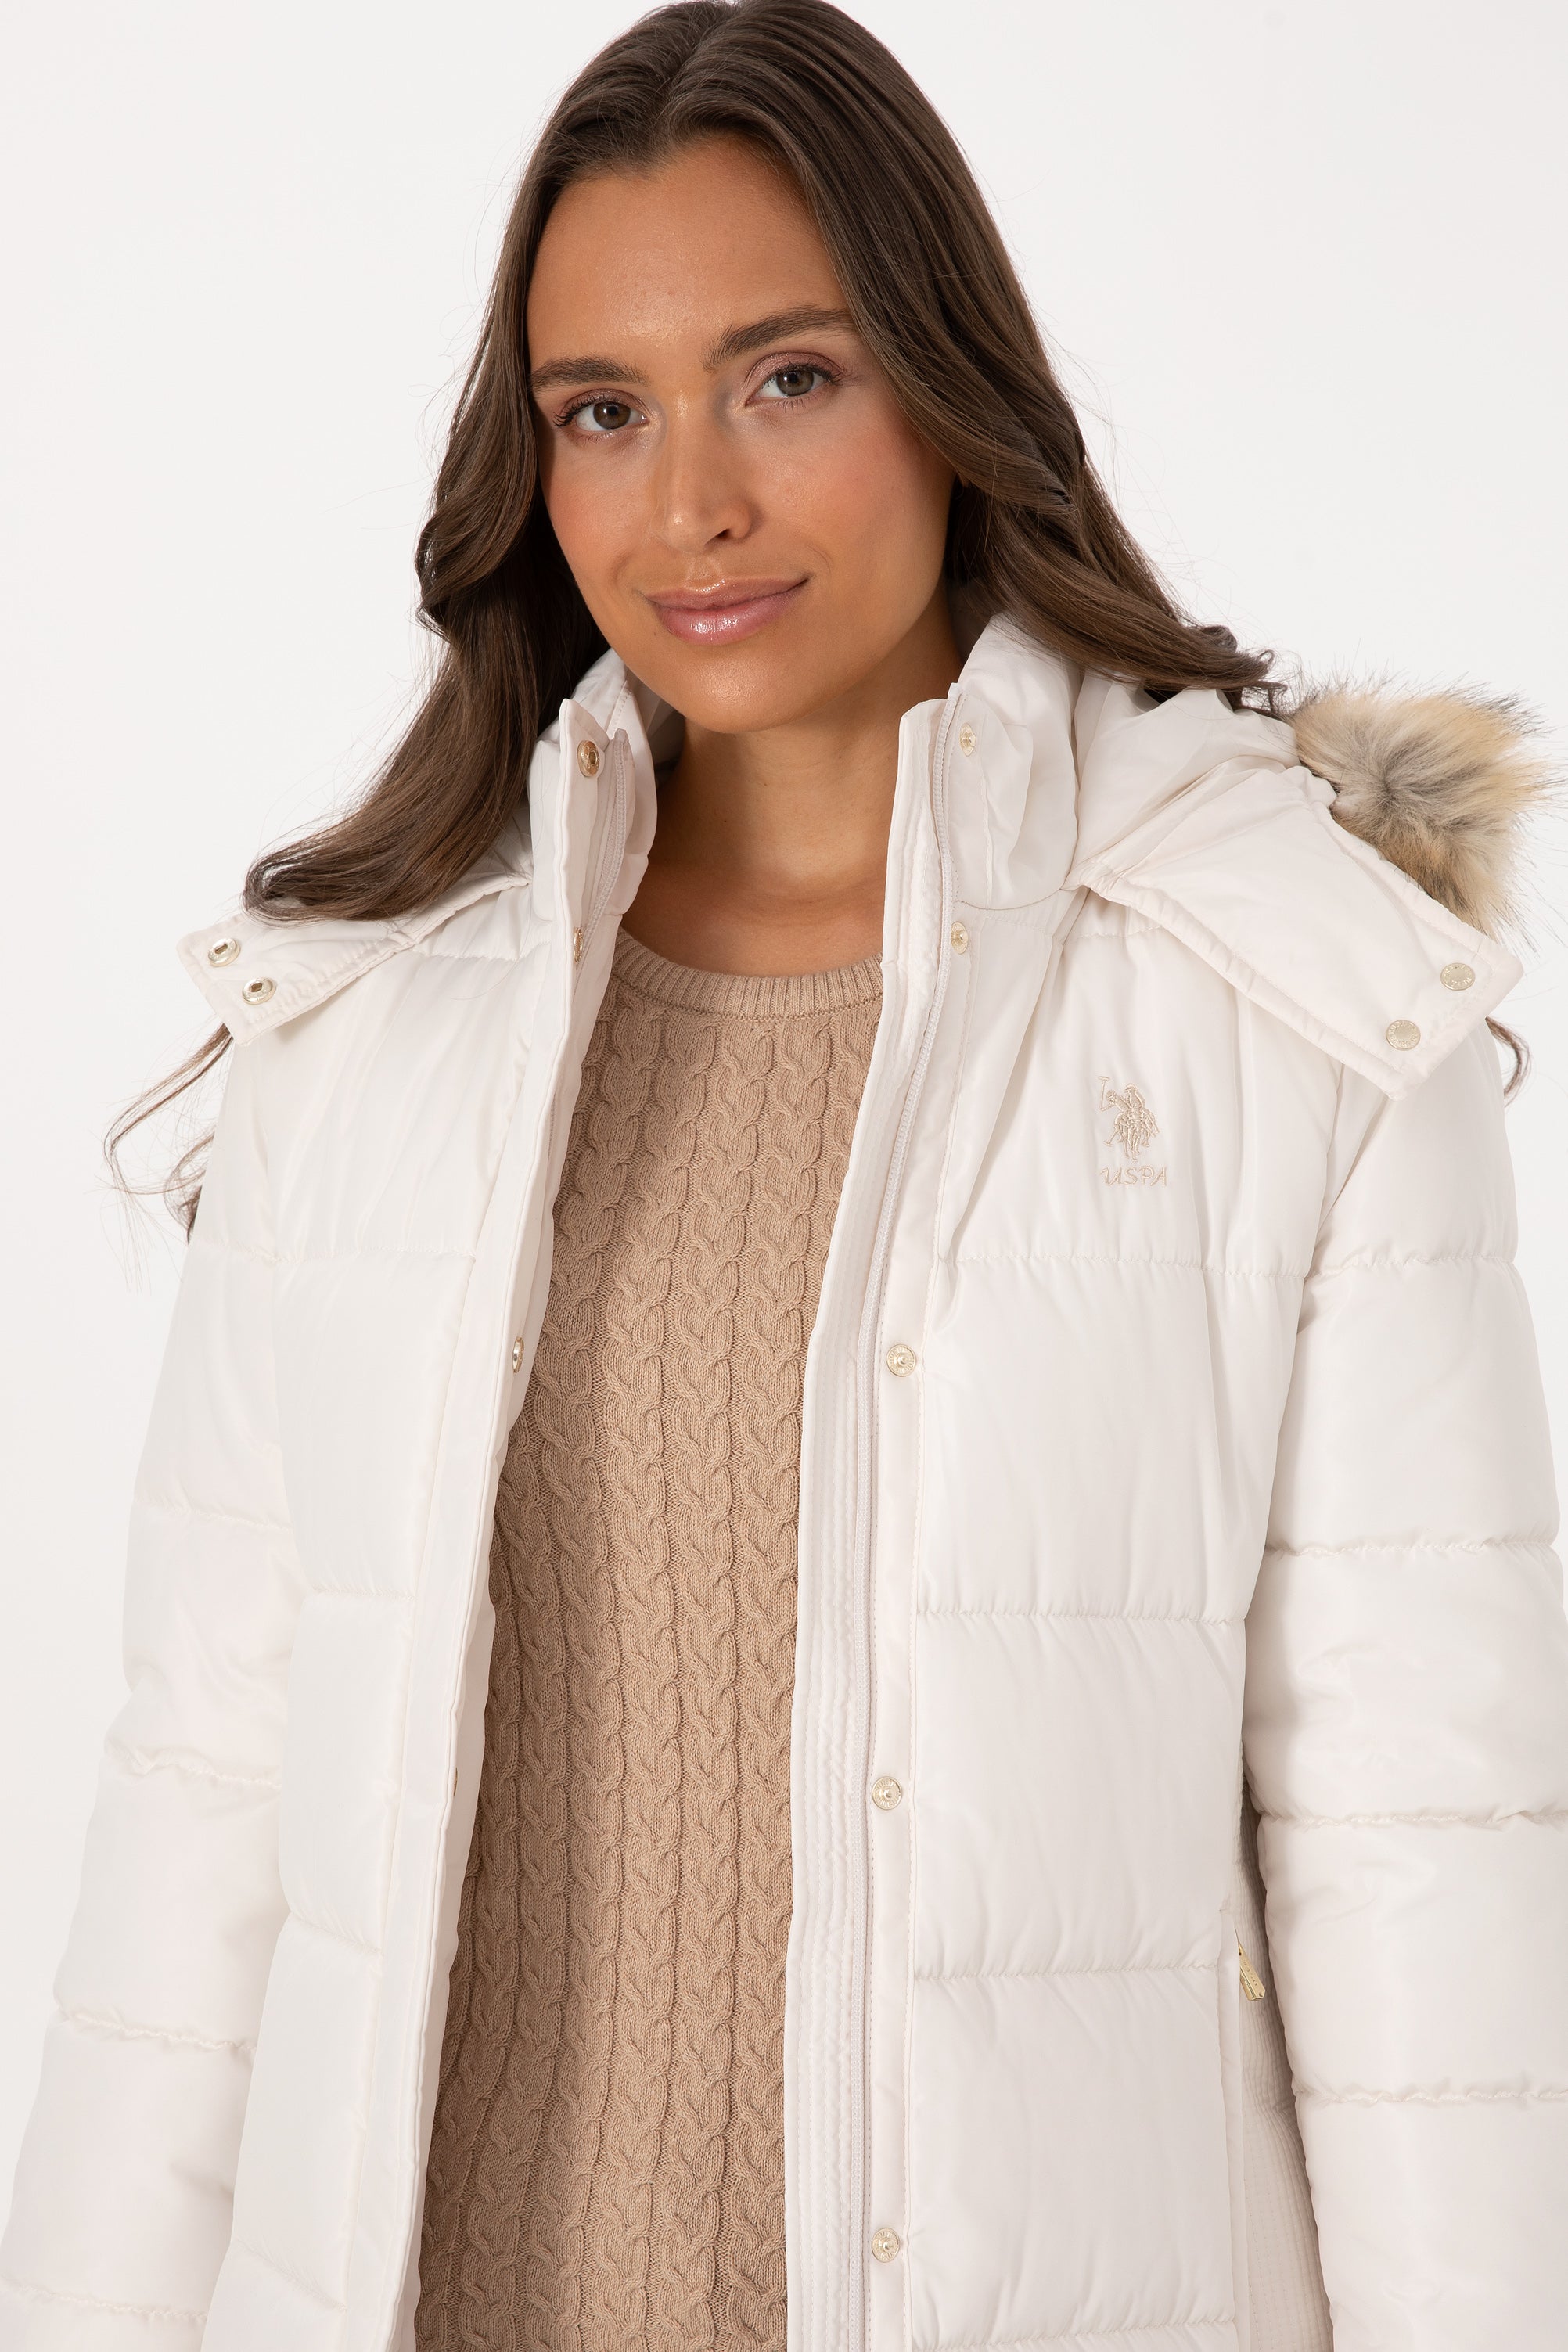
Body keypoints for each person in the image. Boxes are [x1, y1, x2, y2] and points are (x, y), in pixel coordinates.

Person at [5, 2, 1565, 2346]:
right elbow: (203, 1837)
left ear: (950, 386)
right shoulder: (370, 1028)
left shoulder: (1290, 997)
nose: (690, 508)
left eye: (790, 378)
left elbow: (1424, 1866)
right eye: (601, 412)